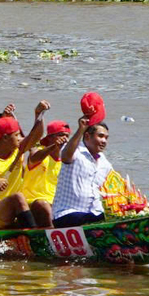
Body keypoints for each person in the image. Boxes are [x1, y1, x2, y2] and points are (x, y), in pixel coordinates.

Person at [51, 93, 115, 227]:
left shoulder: (105, 163)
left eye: (106, 138)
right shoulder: (75, 151)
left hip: (93, 213)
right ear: (87, 137)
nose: (104, 141)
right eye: (101, 136)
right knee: (89, 219)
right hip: (66, 214)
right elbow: (65, 156)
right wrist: (81, 128)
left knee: (111, 217)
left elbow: (114, 186)